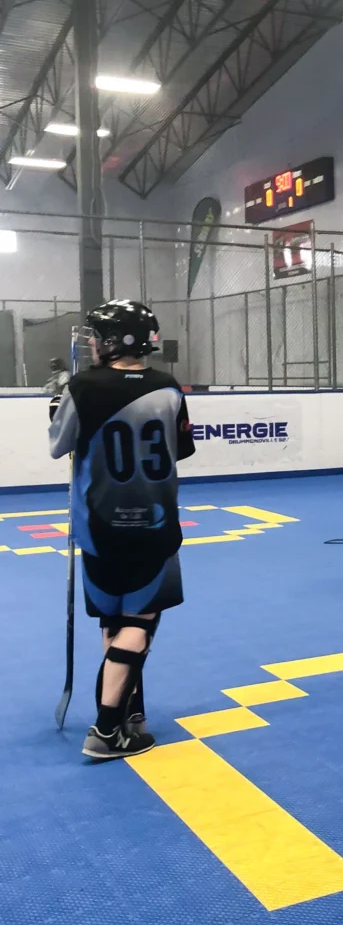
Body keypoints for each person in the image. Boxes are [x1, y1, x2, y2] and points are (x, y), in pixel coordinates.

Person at [48, 300, 195, 760]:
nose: (91, 341)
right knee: (139, 621)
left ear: (115, 340)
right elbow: (183, 449)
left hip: (96, 526)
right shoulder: (168, 388)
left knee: (116, 619)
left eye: (97, 334)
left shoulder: (83, 387)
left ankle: (130, 716)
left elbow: (58, 445)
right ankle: (109, 728)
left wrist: (58, 406)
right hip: (152, 524)